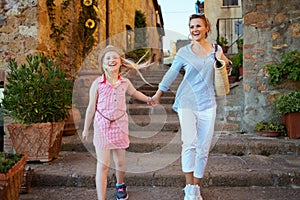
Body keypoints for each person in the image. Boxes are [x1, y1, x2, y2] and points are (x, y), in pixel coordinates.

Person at [152, 14, 230, 200]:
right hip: (187, 102)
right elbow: (171, 74)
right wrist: (158, 94)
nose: (194, 29)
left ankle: (196, 187)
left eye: (198, 26)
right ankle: (189, 187)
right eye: (191, 26)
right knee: (189, 144)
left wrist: (225, 62)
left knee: (203, 147)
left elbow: (227, 66)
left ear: (206, 28)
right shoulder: (184, 52)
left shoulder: (216, 49)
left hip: (208, 103)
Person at [82, 45, 153, 200]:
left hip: (120, 125)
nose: (111, 60)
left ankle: (120, 185)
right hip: (102, 126)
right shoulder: (97, 84)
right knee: (103, 164)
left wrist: (148, 99)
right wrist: (86, 129)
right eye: (108, 58)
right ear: (103, 64)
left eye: (115, 57)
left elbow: (135, 93)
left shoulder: (125, 83)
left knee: (120, 163)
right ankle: (101, 198)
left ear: (121, 62)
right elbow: (90, 108)